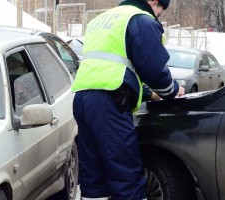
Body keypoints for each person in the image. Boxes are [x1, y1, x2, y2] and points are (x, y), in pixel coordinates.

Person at [72, 0, 185, 199]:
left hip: (82, 98)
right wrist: (173, 91)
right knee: (125, 173)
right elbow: (154, 70)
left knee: (93, 174)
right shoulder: (141, 19)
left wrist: (148, 93)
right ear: (153, 1)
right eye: (160, 10)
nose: (157, 15)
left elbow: (113, 66)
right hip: (110, 102)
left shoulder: (101, 20)